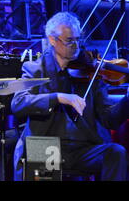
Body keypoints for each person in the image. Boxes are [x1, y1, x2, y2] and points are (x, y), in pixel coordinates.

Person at [12, 11, 129, 181]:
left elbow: (109, 119)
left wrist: (127, 99)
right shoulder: (35, 69)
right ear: (52, 40)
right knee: (42, 153)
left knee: (116, 153)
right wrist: (59, 97)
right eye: (69, 40)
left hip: (84, 148)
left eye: (77, 39)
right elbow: (18, 102)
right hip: (46, 145)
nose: (75, 45)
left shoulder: (92, 71)